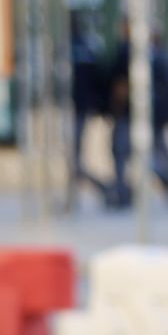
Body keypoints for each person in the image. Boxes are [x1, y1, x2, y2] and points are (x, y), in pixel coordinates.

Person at [107, 22, 168, 209]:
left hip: (137, 115)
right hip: (151, 115)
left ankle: (125, 191)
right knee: (153, 152)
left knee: (133, 153)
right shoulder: (158, 56)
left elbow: (122, 86)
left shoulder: (138, 54)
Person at [67, 15, 111, 208]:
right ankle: (77, 195)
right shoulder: (87, 47)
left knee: (74, 159)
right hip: (79, 108)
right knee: (73, 158)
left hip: (75, 109)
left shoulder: (71, 48)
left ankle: (102, 188)